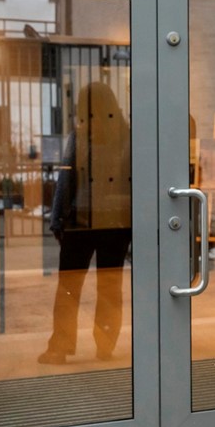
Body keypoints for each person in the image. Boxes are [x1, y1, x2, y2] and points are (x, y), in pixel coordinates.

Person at [38, 81, 133, 364]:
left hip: (82, 223)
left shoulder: (80, 137)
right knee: (109, 288)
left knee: (68, 288)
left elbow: (65, 182)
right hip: (116, 224)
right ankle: (105, 346)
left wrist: (57, 220)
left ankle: (59, 348)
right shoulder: (127, 137)